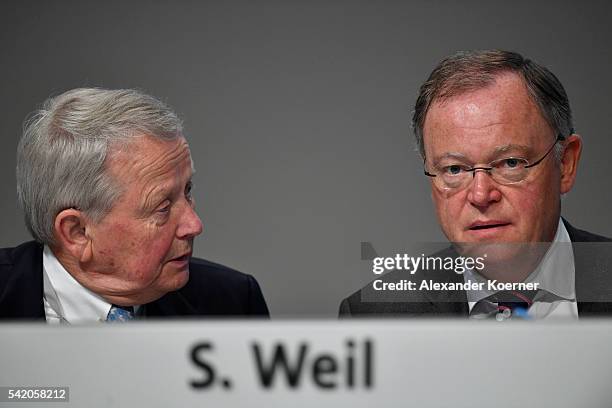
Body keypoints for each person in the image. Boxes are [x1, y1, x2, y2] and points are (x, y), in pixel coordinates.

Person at [340, 50, 612, 319]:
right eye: (454, 169)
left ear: (565, 163)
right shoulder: (376, 316)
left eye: (510, 163)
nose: (481, 195)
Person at [0, 88, 269, 322]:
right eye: (162, 207)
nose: (194, 225)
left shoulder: (231, 302)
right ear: (77, 232)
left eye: (187, 191)